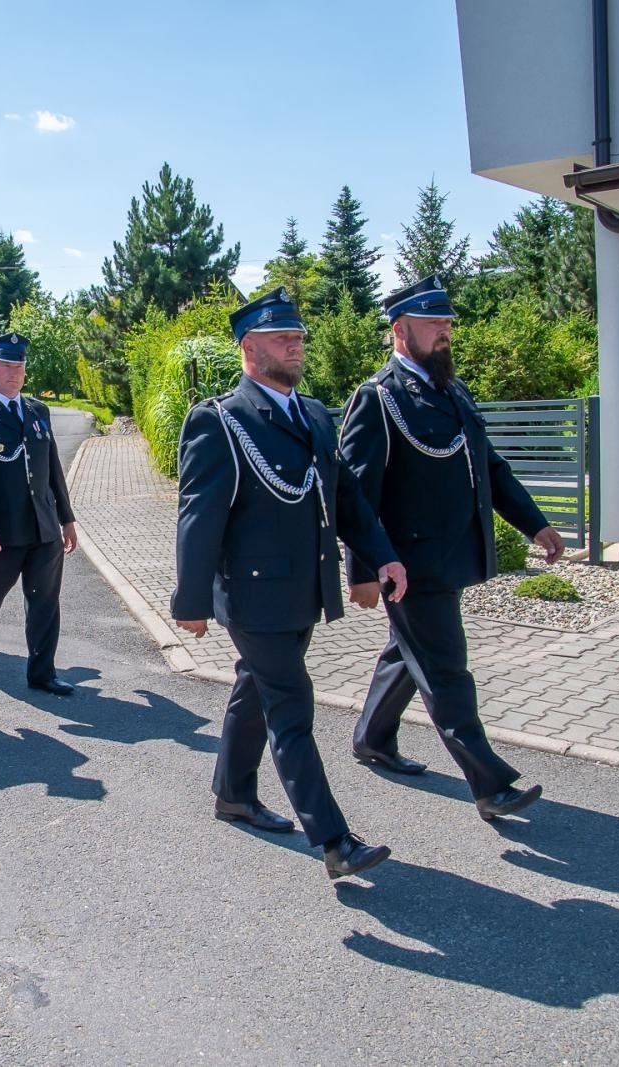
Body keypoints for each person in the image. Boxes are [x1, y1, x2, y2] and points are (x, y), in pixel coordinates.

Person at [171, 287, 408, 880]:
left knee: (256, 688)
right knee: (291, 706)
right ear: (250, 348)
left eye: (298, 337)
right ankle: (333, 840)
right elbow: (199, 516)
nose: (296, 346)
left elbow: (347, 496)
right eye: (283, 338)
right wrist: (191, 601)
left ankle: (232, 792)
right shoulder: (220, 420)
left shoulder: (315, 413)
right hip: (252, 597)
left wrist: (381, 556)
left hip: (304, 591)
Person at [337, 274, 561, 821]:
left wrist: (535, 525)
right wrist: (361, 569)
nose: (445, 332)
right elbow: (355, 494)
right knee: (446, 669)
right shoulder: (378, 398)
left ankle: (372, 737)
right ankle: (489, 783)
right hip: (408, 565)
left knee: (408, 652)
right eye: (434, 323)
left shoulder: (451, 390)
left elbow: (490, 468)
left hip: (451, 556)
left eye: (447, 323)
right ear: (400, 330)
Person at [0, 331, 78, 695]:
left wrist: (67, 519)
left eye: (19, 366)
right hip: (0, 531)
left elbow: (53, 468)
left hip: (43, 527)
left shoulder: (37, 411)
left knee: (45, 602)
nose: (14, 372)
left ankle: (42, 673)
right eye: (6, 365)